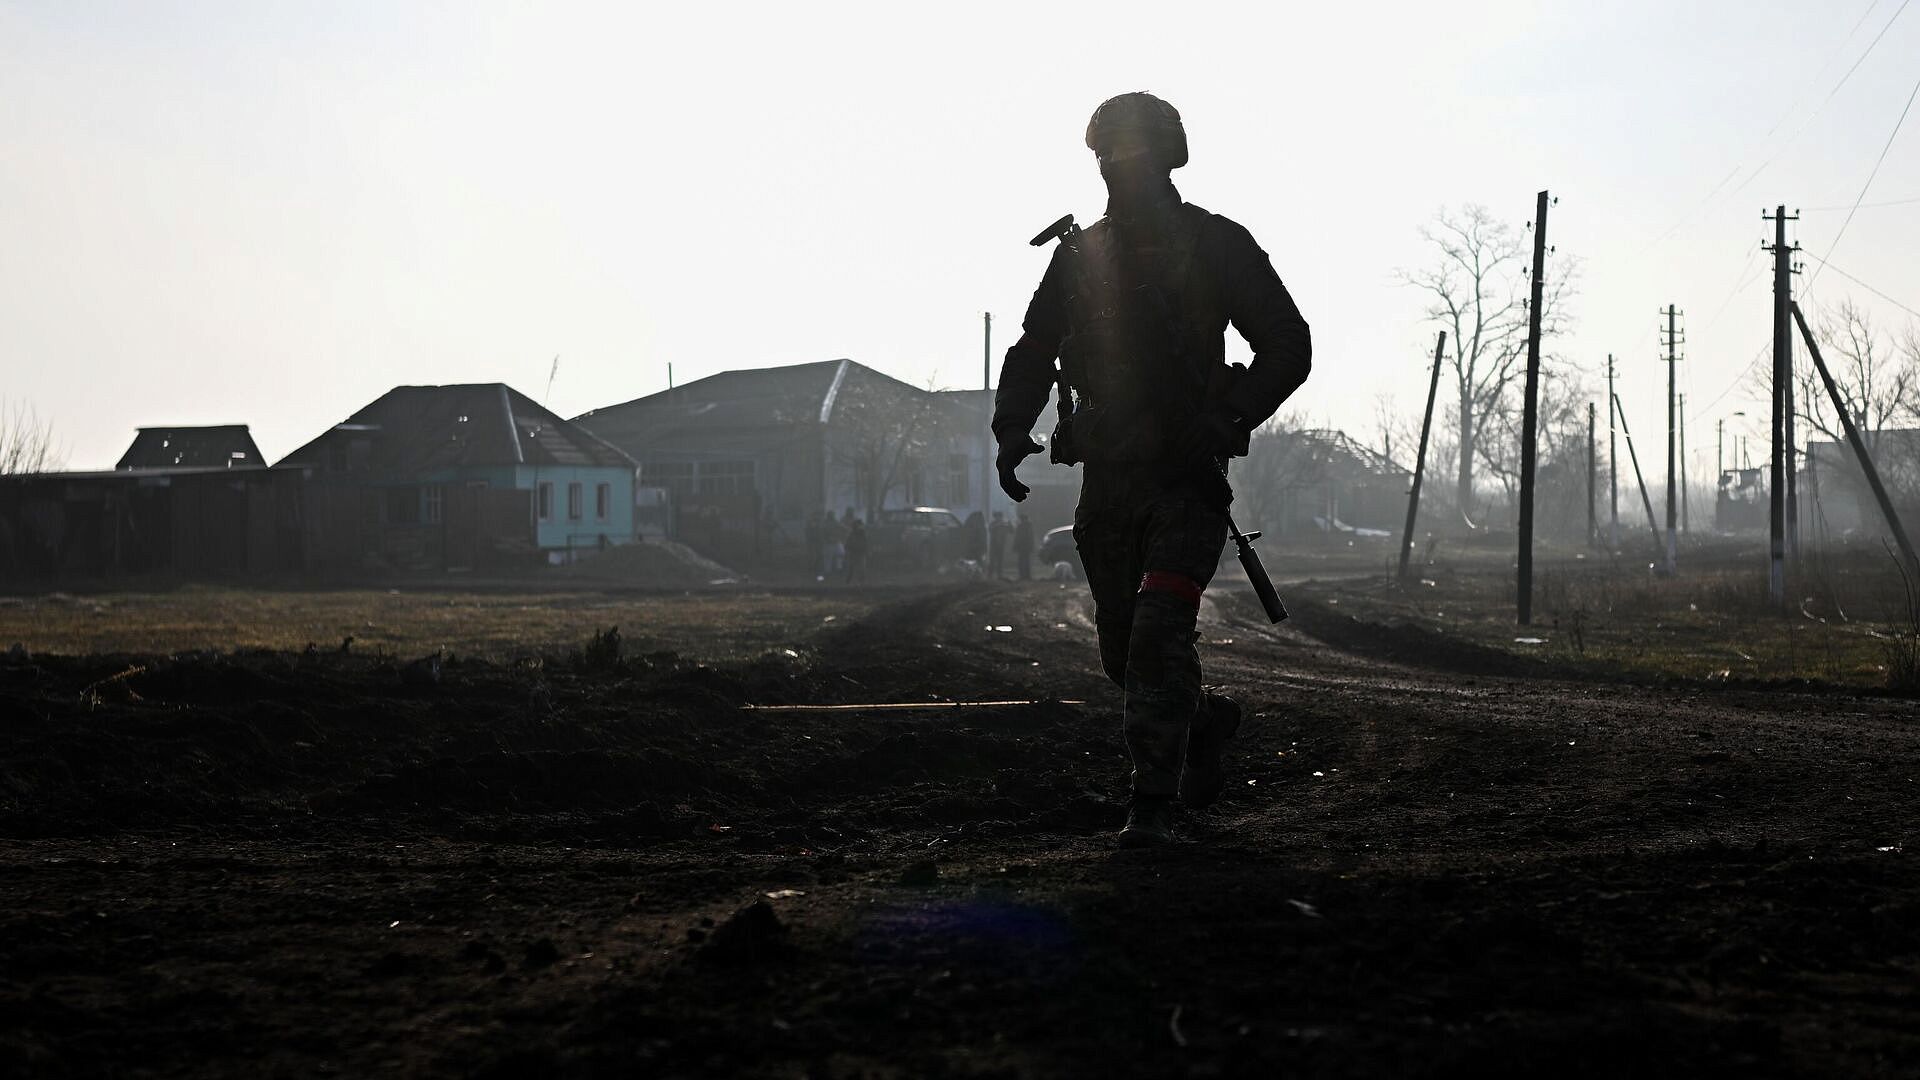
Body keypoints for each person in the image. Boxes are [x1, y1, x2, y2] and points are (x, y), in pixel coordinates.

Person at [993, 92, 1312, 847]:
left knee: (1156, 640)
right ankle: (1203, 723)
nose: (1117, 171)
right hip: (1108, 486)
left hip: (1184, 485)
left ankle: (1153, 806)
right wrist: (1011, 430)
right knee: (1122, 656)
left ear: (1168, 158)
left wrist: (1230, 417)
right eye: (1106, 157)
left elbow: (1287, 344)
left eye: (1132, 155)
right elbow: (1034, 350)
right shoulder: (1079, 258)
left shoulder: (1217, 246)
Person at [844, 517, 869, 584]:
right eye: (860, 525)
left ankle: (862, 581)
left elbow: (866, 543)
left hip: (861, 553)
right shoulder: (851, 533)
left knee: (862, 568)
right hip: (853, 553)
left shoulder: (863, 533)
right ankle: (848, 581)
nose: (862, 526)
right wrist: (849, 550)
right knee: (851, 568)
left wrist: (865, 550)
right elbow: (847, 544)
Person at [987, 511, 1011, 580]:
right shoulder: (993, 523)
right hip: (993, 545)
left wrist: (1009, 524)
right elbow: (990, 529)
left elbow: (1011, 531)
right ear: (995, 517)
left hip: (1001, 545)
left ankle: (999, 575)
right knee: (992, 561)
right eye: (997, 516)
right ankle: (990, 575)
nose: (999, 518)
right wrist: (997, 525)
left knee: (1000, 561)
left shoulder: (1004, 524)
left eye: (1000, 516)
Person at [1014, 511, 1035, 581]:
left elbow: (1018, 537)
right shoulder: (1029, 526)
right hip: (1025, 547)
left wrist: (1015, 546)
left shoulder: (1021, 526)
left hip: (1023, 547)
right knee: (1026, 561)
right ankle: (1026, 575)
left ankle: (1023, 575)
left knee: (1023, 561)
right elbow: (1031, 537)